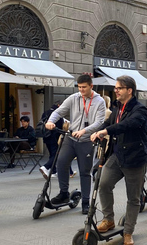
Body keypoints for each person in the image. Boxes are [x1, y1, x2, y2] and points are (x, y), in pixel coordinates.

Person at [90, 76, 147, 245]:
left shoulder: (140, 110)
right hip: (117, 155)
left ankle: (128, 232)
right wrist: (92, 132)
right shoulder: (116, 108)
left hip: (135, 158)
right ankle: (108, 219)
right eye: (115, 88)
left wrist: (106, 130)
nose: (116, 90)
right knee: (103, 183)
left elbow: (127, 124)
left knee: (133, 198)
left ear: (129, 90)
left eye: (119, 88)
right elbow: (107, 123)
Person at [45, 75, 106, 214]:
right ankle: (64, 193)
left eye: (84, 87)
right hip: (71, 138)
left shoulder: (99, 101)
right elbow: (58, 111)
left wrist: (84, 130)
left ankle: (85, 201)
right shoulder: (74, 98)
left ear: (91, 86)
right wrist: (50, 121)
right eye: (79, 87)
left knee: (85, 172)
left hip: (86, 140)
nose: (81, 90)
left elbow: (99, 122)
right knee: (61, 163)